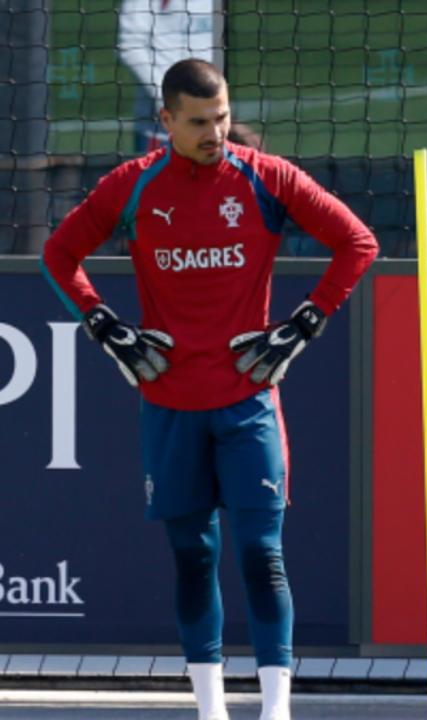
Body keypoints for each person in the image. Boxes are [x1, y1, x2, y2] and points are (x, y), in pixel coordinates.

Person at [41, 58, 377, 720]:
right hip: (169, 406)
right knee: (194, 557)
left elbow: (357, 243)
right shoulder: (132, 186)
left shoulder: (268, 178)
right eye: (198, 122)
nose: (215, 132)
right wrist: (103, 324)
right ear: (166, 121)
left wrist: (304, 323)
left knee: (262, 555)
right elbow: (59, 254)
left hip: (249, 403)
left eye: (221, 117)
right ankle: (211, 711)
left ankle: (276, 710)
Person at [119, 0, 262, 152]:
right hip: (162, 134)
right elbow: (130, 46)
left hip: (211, 129)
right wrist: (170, 102)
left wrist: (226, 118)